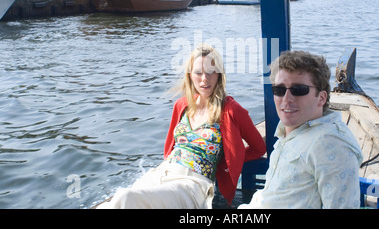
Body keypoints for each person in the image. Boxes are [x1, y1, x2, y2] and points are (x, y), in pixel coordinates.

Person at [99, 43, 266, 208]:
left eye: (211, 72)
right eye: (198, 72)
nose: (204, 79)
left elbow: (258, 148)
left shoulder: (231, 110)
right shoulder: (182, 105)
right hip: (163, 172)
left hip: (192, 184)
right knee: (110, 205)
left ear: (219, 75)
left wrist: (225, 161)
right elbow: (170, 148)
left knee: (126, 197)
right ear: (190, 75)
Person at [239, 50, 363, 209]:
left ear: (322, 98)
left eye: (298, 90)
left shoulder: (331, 144)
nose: (286, 99)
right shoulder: (290, 130)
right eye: (279, 90)